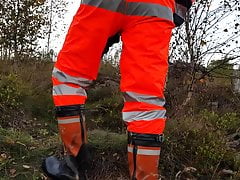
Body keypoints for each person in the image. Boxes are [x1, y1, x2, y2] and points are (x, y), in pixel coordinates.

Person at [42, 0, 194, 179]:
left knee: (69, 78)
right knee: (145, 101)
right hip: (156, 6)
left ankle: (73, 166)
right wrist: (180, 8)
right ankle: (144, 177)